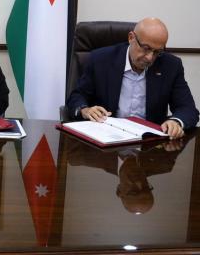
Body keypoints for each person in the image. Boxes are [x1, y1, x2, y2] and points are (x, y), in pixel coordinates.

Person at [66, 17, 199, 139]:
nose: (150, 58)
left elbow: (188, 109)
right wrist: (85, 110)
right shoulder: (100, 59)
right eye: (146, 48)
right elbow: (77, 96)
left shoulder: (171, 66)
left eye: (157, 52)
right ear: (131, 38)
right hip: (106, 138)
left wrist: (176, 121)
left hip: (149, 144)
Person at [67, 137, 188, 214]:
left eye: (133, 191)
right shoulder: (164, 162)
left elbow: (73, 122)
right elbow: (184, 134)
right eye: (146, 188)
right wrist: (175, 123)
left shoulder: (84, 156)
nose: (139, 183)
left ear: (119, 191)